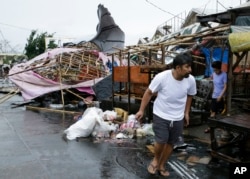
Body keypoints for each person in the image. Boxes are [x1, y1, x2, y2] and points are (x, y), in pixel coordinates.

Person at [135, 52, 197, 177]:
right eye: (187, 67)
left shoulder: (190, 80)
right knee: (161, 141)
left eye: (190, 67)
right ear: (178, 68)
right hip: (161, 114)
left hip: (178, 117)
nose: (190, 70)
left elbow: (190, 95)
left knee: (171, 142)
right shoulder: (162, 77)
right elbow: (148, 92)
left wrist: (186, 113)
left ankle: (162, 164)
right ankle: (156, 160)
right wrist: (141, 110)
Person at [204, 60, 227, 133]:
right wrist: (213, 92)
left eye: (216, 69)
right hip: (214, 96)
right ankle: (210, 127)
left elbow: (225, 87)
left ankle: (220, 127)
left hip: (221, 96)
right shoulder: (213, 74)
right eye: (214, 69)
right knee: (213, 112)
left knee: (221, 112)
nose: (215, 71)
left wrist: (221, 96)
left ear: (220, 68)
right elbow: (214, 84)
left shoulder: (224, 75)